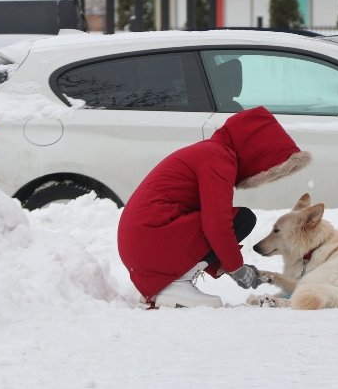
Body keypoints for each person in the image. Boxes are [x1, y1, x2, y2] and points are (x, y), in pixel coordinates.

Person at [117, 106, 311, 308]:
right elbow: (216, 224)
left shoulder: (211, 152)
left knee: (235, 220)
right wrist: (236, 267)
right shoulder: (217, 159)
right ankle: (174, 283)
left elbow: (204, 224)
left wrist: (226, 266)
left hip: (143, 243)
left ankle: (169, 282)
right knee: (242, 219)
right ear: (256, 151)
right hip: (151, 238)